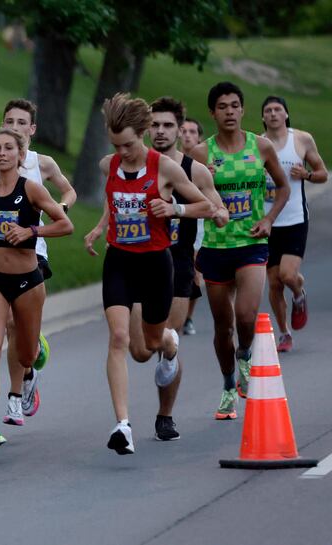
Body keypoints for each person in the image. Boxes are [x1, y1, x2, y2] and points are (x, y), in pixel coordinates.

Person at [84, 93, 214, 455]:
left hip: (158, 264)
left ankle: (170, 345)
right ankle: (122, 425)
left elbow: (207, 205)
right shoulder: (108, 164)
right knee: (119, 339)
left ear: (141, 134)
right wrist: (99, 228)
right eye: (116, 145)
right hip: (120, 262)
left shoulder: (166, 168)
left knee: (151, 347)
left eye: (127, 144)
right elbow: (117, 202)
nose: (122, 152)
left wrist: (174, 208)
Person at [0, 99, 77, 426]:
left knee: (21, 340)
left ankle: (31, 354)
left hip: (33, 254)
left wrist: (41, 222)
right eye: (8, 122)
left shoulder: (41, 167)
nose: (13, 129)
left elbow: (67, 200)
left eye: (20, 124)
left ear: (30, 133)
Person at [189, 82, 289, 420]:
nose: (229, 112)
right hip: (216, 248)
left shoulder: (260, 146)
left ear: (243, 110)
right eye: (222, 106)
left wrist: (270, 218)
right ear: (213, 113)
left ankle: (245, 355)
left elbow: (284, 186)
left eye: (235, 105)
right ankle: (229, 384)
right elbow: (182, 197)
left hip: (252, 243)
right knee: (223, 327)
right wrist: (204, 182)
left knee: (246, 316)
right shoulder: (201, 154)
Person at [146, 97, 228, 440]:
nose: (160, 131)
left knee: (169, 337)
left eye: (168, 126)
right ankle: (167, 351)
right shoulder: (138, 164)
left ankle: (165, 415)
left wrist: (177, 210)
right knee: (141, 346)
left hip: (177, 264)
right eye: (155, 125)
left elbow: (216, 210)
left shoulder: (194, 170)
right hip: (140, 261)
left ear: (181, 130)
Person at [260, 96, 328, 352]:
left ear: (286, 115)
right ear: (263, 117)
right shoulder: (257, 144)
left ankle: (299, 294)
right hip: (268, 222)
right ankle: (284, 333)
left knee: (288, 275)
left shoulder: (301, 140)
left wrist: (307, 174)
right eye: (268, 110)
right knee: (274, 282)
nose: (274, 114)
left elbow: (322, 174)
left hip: (295, 218)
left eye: (278, 109)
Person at [180, 117, 206, 336]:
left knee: (195, 272)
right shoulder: (168, 161)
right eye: (184, 130)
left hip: (197, 223)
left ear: (200, 137)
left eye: (192, 131)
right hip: (171, 224)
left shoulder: (205, 165)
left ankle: (187, 317)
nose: (187, 135)